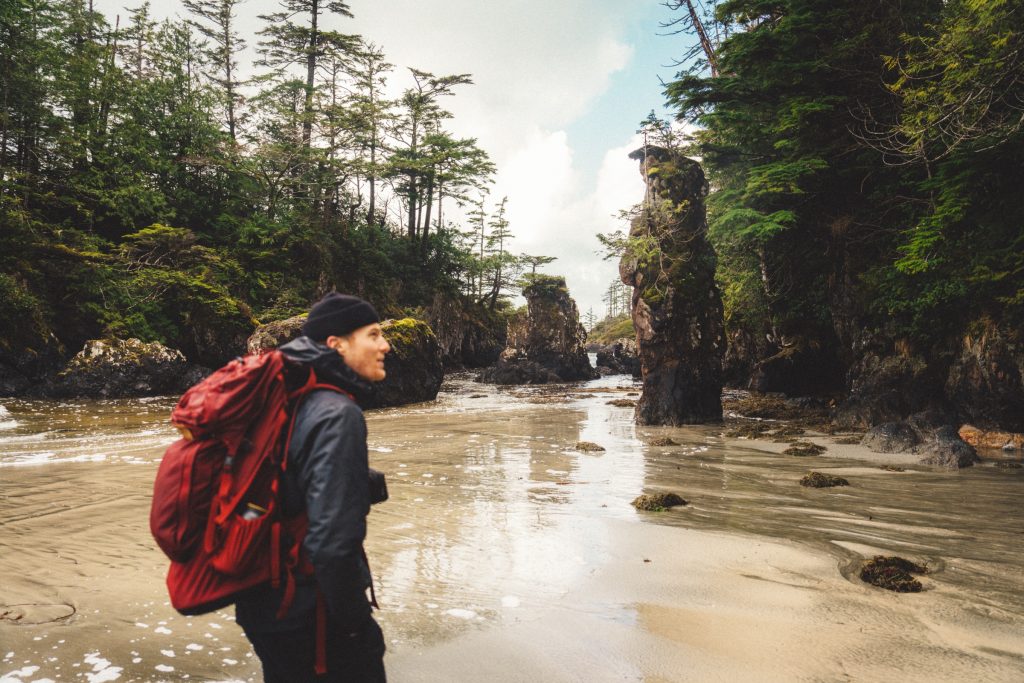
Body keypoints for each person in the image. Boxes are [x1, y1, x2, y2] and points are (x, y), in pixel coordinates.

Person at [236, 292, 391, 682]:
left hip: (264, 602)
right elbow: (331, 544)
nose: (385, 345)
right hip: (311, 612)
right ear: (336, 344)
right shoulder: (338, 413)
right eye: (373, 335)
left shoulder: (285, 399)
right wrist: (356, 624)